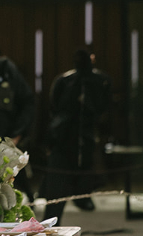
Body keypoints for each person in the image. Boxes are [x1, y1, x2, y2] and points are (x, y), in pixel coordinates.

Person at [42, 48, 112, 221]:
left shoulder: (101, 81)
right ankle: (51, 225)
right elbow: (54, 109)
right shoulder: (65, 81)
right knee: (56, 192)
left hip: (87, 142)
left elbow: (105, 110)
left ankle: (83, 195)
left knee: (84, 178)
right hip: (64, 141)